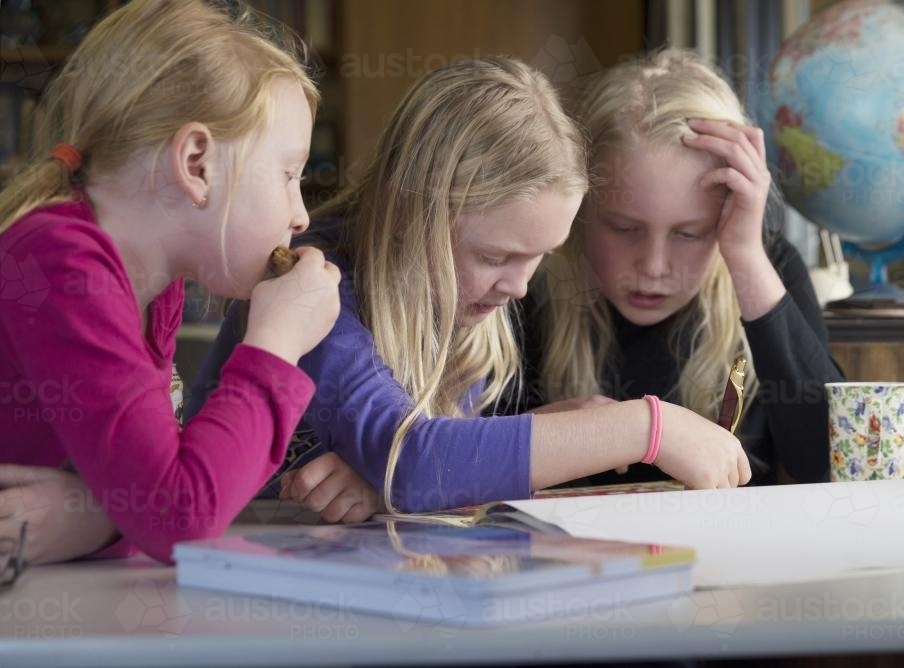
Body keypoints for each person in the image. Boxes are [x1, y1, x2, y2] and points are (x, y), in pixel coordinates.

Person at [186, 56, 751, 520]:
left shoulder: (460, 293)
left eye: (537, 259)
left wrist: (385, 475)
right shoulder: (315, 286)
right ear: (416, 218)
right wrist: (647, 426)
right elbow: (414, 460)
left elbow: (422, 462)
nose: (519, 287)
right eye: (496, 256)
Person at [0, 0, 343, 564]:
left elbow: (155, 490)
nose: (301, 215)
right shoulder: (60, 263)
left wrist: (96, 516)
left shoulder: (153, 284)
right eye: (287, 175)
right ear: (197, 163)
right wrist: (276, 344)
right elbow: (177, 516)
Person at [509, 49, 844, 486]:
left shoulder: (766, 267)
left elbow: (828, 462)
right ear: (581, 208)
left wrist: (744, 253)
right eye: (625, 228)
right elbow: (456, 465)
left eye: (689, 233)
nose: (653, 266)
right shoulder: (527, 283)